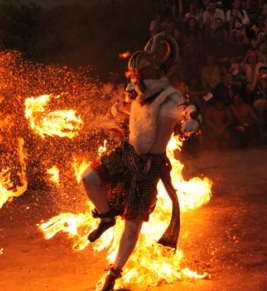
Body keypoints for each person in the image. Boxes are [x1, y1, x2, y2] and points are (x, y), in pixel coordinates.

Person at [81, 33, 201, 291]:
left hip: (148, 169)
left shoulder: (169, 100)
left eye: (137, 79)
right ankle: (106, 217)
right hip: (126, 155)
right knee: (87, 178)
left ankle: (114, 273)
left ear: (151, 79)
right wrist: (120, 109)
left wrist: (191, 118)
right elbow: (135, 109)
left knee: (133, 227)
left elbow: (184, 110)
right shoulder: (140, 95)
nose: (132, 84)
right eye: (132, 79)